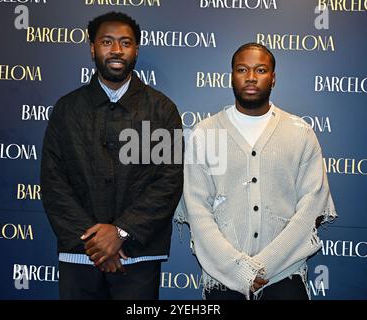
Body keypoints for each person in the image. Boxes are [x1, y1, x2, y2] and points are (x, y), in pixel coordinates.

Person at [175, 43, 337, 300]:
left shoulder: (300, 132)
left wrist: (265, 266)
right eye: (242, 69)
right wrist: (238, 270)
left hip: (285, 276)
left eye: (260, 70)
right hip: (223, 279)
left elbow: (311, 208)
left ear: (273, 78)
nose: (251, 77)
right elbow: (197, 209)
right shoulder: (205, 134)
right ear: (231, 76)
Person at [41, 11, 183, 300]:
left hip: (138, 257)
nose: (116, 50)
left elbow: (168, 182)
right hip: (80, 256)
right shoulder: (67, 109)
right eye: (107, 42)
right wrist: (95, 243)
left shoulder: (162, 110)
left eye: (125, 42)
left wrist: (120, 232)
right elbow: (53, 182)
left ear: (136, 50)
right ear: (92, 48)